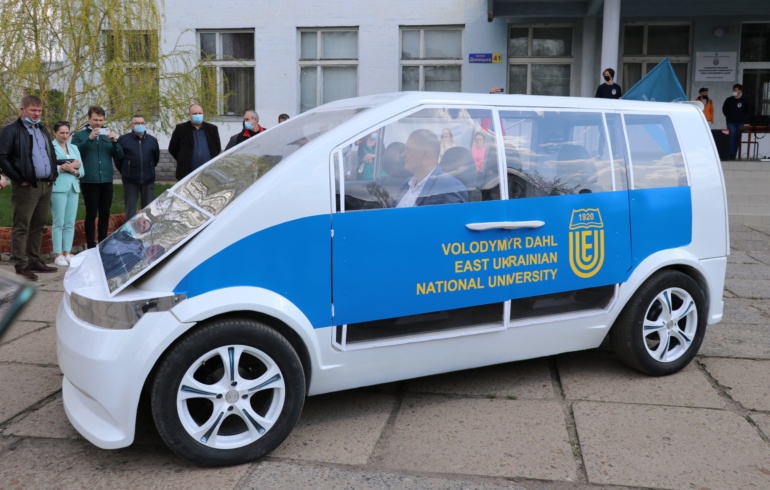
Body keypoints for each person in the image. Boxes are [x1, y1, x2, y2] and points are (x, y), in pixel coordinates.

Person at [0, 95, 59, 280]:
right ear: (23, 109)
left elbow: (50, 153)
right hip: (26, 187)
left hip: (45, 185)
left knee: (38, 225)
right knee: (21, 226)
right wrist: (18, 178)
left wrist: (52, 175)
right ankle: (20, 265)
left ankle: (34, 260)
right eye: (33, 110)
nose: (36, 114)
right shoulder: (11, 130)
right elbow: (2, 156)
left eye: (39, 111)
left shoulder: (41, 128)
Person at [71, 106, 123, 249]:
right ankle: (91, 244)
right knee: (91, 212)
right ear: (89, 119)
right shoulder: (80, 135)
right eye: (95, 120)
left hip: (106, 179)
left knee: (105, 212)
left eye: (100, 120)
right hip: (89, 180)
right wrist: (89, 139)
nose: (98, 123)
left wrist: (114, 141)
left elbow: (119, 155)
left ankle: (102, 242)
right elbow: (75, 153)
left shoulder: (108, 134)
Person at [395, 129, 468, 207]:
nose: (403, 154)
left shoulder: (448, 188)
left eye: (408, 150)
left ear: (425, 154)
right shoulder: (406, 184)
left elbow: (453, 218)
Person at [51, 121, 85, 267]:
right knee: (59, 222)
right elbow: (50, 168)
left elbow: (82, 171)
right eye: (61, 133)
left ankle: (67, 252)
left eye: (67, 133)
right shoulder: (50, 148)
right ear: (55, 133)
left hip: (73, 187)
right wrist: (63, 169)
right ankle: (58, 254)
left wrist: (72, 169)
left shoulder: (74, 148)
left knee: (70, 222)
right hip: (58, 187)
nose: (65, 136)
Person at [116, 115, 160, 220]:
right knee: (130, 210)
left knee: (148, 210)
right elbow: (118, 159)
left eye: (142, 123)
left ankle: (147, 233)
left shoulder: (152, 140)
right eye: (137, 123)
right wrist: (126, 170)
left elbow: (155, 159)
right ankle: (130, 233)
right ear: (131, 126)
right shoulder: (123, 140)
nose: (140, 125)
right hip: (130, 180)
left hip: (148, 180)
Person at [100, 214, 165, 280]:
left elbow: (107, 275)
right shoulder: (137, 242)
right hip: (102, 241)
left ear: (151, 259)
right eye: (152, 247)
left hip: (98, 257)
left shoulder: (130, 265)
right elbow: (120, 233)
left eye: (152, 251)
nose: (150, 248)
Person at [168, 104, 221, 180]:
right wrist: (183, 159)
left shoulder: (212, 129)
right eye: (194, 114)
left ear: (203, 114)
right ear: (189, 115)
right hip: (187, 173)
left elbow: (217, 148)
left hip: (209, 174)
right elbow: (172, 148)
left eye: (200, 113)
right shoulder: (181, 129)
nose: (197, 115)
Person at [722, 83, 752, 160]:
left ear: (740, 91)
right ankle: (730, 154)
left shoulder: (744, 100)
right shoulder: (729, 100)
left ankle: (734, 154)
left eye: (736, 90)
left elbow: (748, 111)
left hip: (740, 122)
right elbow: (724, 109)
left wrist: (744, 119)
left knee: (737, 138)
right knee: (732, 135)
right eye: (733, 90)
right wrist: (729, 116)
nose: (734, 91)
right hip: (731, 122)